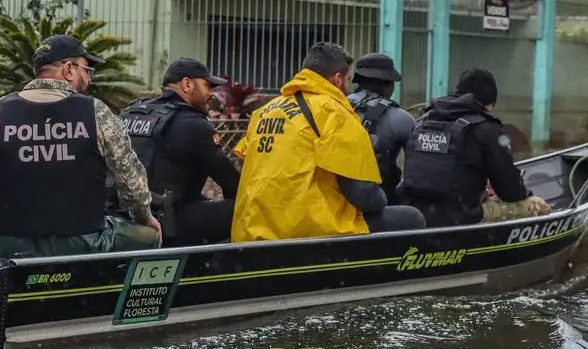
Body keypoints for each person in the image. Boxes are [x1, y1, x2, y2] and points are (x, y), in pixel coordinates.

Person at [0, 34, 161, 258]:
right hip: (83, 243)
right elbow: (131, 181)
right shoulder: (96, 113)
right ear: (69, 69)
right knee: (149, 235)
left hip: (11, 245)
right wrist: (144, 216)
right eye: (87, 70)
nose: (89, 79)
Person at [231, 42, 426, 242]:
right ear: (338, 78)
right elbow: (361, 193)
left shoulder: (264, 112)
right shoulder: (334, 113)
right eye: (348, 80)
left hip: (253, 228)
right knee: (411, 217)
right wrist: (382, 199)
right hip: (306, 228)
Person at [401, 68, 551, 227]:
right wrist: (523, 193)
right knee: (538, 206)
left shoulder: (422, 121)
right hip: (460, 217)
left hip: (415, 213)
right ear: (488, 101)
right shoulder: (486, 128)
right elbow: (511, 192)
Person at [114, 58, 238, 246]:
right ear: (187, 84)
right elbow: (231, 183)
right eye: (207, 86)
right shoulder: (193, 124)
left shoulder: (131, 112)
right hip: (166, 222)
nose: (211, 94)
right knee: (243, 208)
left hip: (119, 215)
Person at [347, 53, 416, 205]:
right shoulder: (401, 118)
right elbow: (415, 172)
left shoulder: (335, 106)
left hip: (334, 202)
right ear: (389, 86)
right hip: (378, 204)